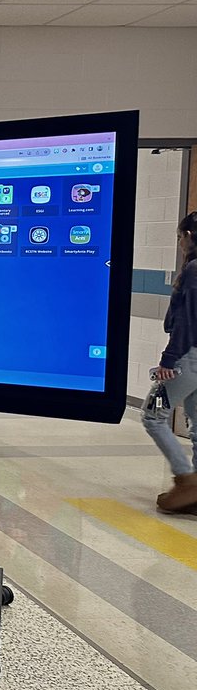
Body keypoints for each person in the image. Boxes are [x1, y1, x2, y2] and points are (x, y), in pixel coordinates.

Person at [143, 211, 197, 514]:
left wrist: (168, 359)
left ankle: (186, 480)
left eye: (179, 237)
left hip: (188, 357)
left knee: (152, 415)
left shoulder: (193, 270)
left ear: (188, 237)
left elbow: (189, 322)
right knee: (196, 423)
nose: (179, 243)